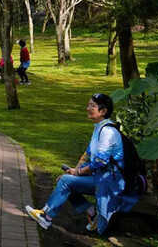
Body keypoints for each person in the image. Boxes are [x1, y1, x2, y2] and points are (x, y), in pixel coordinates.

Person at [25, 93, 138, 234]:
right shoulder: (99, 128)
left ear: (103, 111)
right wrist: (75, 170)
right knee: (65, 179)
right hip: (102, 178)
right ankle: (92, 213)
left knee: (66, 181)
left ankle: (46, 216)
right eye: (88, 105)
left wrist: (78, 173)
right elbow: (87, 154)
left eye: (93, 106)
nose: (88, 108)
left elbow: (100, 162)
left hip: (111, 182)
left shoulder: (108, 132)